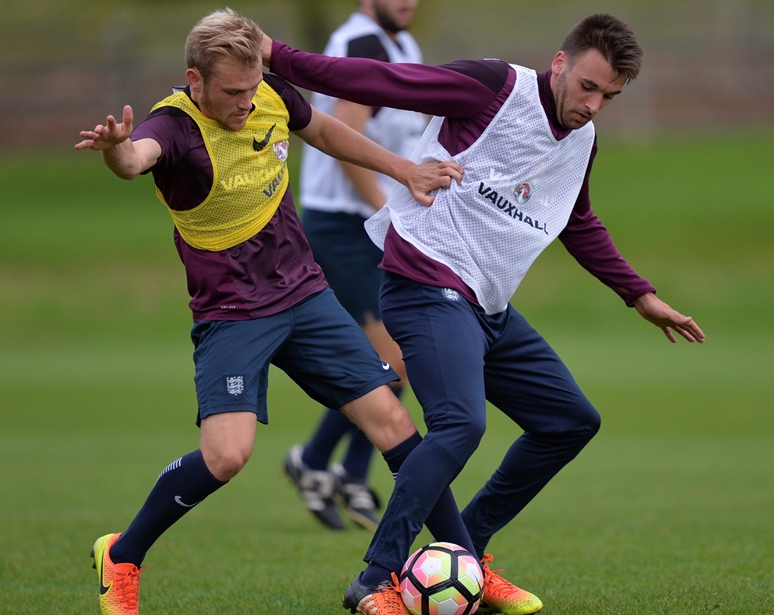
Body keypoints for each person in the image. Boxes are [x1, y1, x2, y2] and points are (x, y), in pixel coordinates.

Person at [262, 12, 706, 615]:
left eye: (611, 95)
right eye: (589, 86)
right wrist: (276, 55)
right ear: (560, 64)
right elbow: (379, 81)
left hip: (487, 305)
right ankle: (377, 580)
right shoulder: (492, 87)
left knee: (570, 421)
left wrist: (640, 295)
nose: (596, 104)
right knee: (460, 425)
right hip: (425, 282)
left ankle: (464, 553)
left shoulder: (582, 139)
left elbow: (577, 221)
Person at [73, 9, 467, 615]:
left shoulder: (268, 89)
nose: (245, 101)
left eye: (252, 87)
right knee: (226, 457)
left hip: (305, 294)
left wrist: (403, 169)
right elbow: (135, 159)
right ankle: (122, 555)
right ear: (195, 80)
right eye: (231, 92)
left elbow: (327, 131)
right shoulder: (172, 127)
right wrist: (116, 149)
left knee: (394, 423)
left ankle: (467, 561)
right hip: (233, 312)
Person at [284, 0, 427, 533]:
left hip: (377, 224)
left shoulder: (401, 45)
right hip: (344, 225)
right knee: (392, 356)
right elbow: (344, 143)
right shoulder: (361, 44)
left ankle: (326, 463)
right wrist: (388, 211)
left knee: (397, 358)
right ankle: (332, 465)